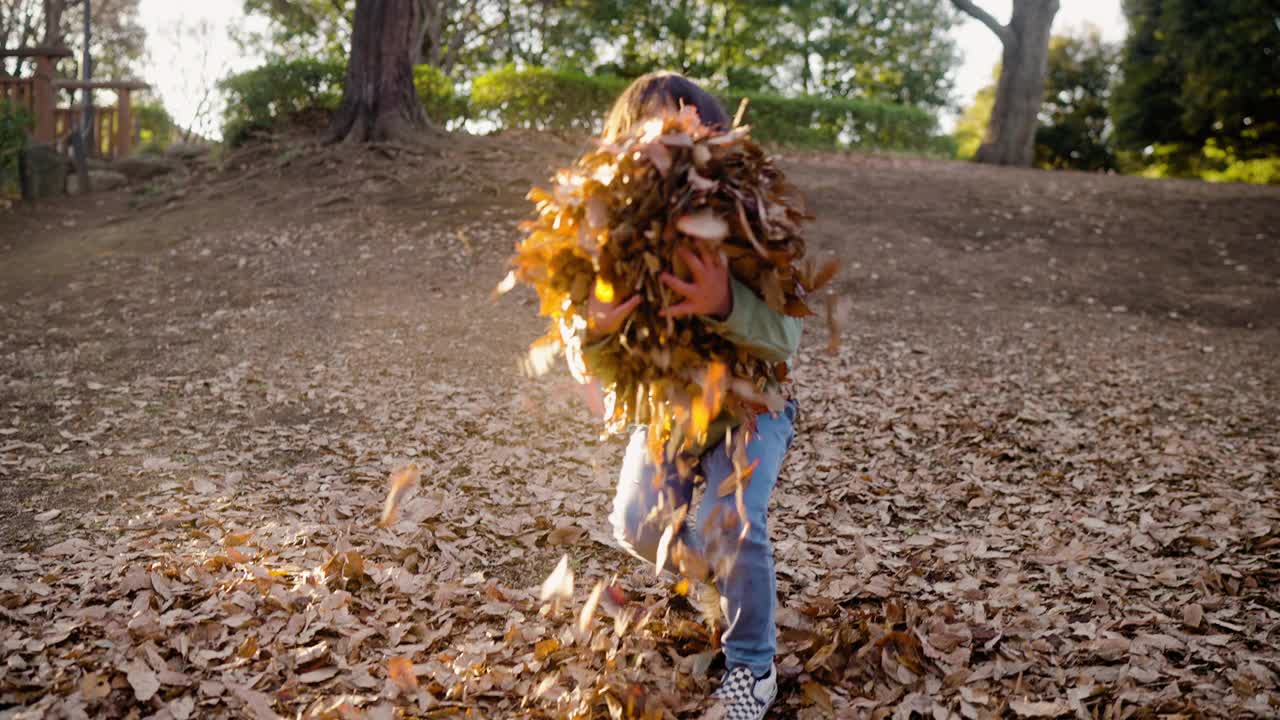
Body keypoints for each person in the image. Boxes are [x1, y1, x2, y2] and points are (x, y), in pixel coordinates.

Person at [580, 71, 803, 720]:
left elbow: (785, 339)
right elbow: (592, 353)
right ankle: (711, 589)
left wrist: (726, 302)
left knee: (728, 524)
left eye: (685, 127)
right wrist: (596, 331)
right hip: (668, 413)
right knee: (635, 523)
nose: (666, 142)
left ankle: (752, 669)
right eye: (649, 131)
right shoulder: (613, 237)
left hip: (750, 408)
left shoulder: (745, 222)